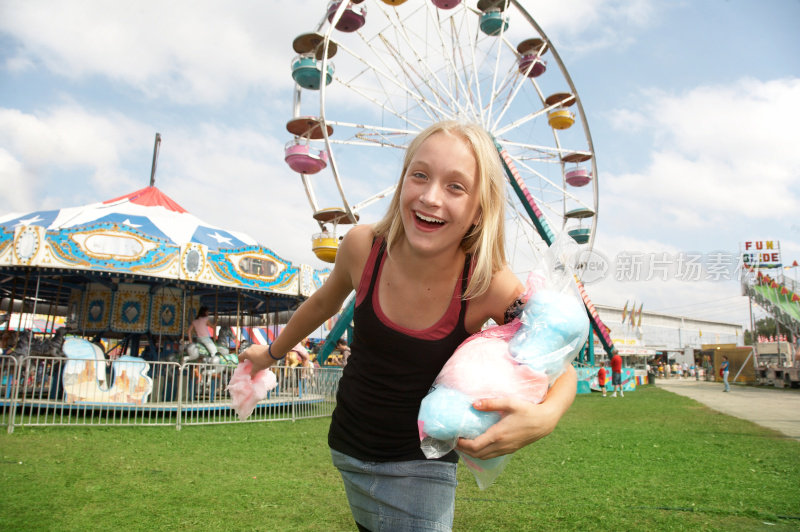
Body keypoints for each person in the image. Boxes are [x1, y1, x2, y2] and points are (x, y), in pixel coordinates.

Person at [240, 120, 577, 532]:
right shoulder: (363, 247)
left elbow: (555, 356)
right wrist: (270, 353)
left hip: (423, 463)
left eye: (456, 187)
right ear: (402, 182)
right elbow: (323, 302)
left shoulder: (486, 281)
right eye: (419, 175)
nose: (430, 197)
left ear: (479, 210)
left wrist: (548, 417)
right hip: (348, 444)